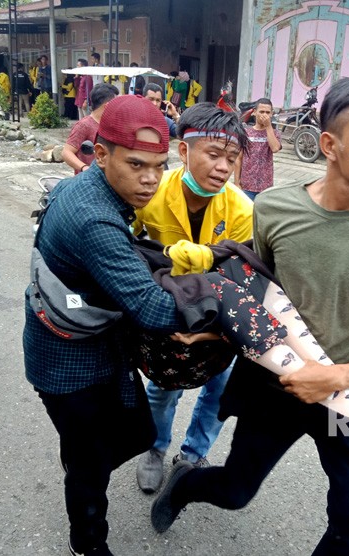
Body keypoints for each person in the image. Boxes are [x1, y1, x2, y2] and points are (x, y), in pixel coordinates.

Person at [149, 78, 349, 555]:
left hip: (347, 388)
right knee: (236, 491)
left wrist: (333, 377)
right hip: (272, 387)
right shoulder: (277, 209)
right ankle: (184, 486)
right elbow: (249, 297)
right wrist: (211, 334)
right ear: (330, 145)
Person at [23, 94, 183, 556]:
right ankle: (88, 544)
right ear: (102, 153)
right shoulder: (93, 216)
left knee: (126, 435)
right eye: (137, 164)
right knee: (91, 467)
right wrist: (230, 312)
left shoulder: (92, 186)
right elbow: (153, 310)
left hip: (86, 338)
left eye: (160, 165)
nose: (151, 178)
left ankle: (78, 460)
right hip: (67, 363)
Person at [133, 102, 253, 493]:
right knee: (162, 389)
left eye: (231, 158)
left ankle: (193, 453)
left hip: (218, 317)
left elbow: (241, 276)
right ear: (184, 151)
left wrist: (213, 332)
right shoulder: (151, 192)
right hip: (165, 312)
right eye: (213, 154)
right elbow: (126, 248)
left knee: (219, 389)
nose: (223, 167)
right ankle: (154, 447)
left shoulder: (241, 209)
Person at [62, 83, 118, 175]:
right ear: (107, 105)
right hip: (88, 181)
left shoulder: (111, 124)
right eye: (115, 104)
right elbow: (66, 152)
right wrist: (84, 168)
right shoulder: (84, 125)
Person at [234, 97, 281, 200]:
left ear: (271, 114)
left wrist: (268, 126)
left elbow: (275, 148)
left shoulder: (275, 133)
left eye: (268, 112)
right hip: (246, 186)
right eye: (262, 112)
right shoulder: (246, 133)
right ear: (254, 112)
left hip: (266, 187)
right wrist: (236, 183)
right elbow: (238, 158)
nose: (264, 115)